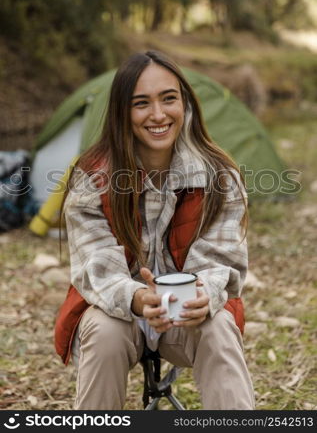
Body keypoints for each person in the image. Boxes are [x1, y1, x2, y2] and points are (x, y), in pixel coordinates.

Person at [54, 50, 255, 410]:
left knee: (219, 328)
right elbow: (95, 263)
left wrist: (203, 294)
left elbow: (222, 263)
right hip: (119, 309)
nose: (158, 115)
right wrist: (135, 297)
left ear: (186, 104)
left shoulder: (221, 175)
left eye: (168, 99)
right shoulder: (91, 176)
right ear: (121, 112)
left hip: (188, 315)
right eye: (141, 103)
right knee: (103, 334)